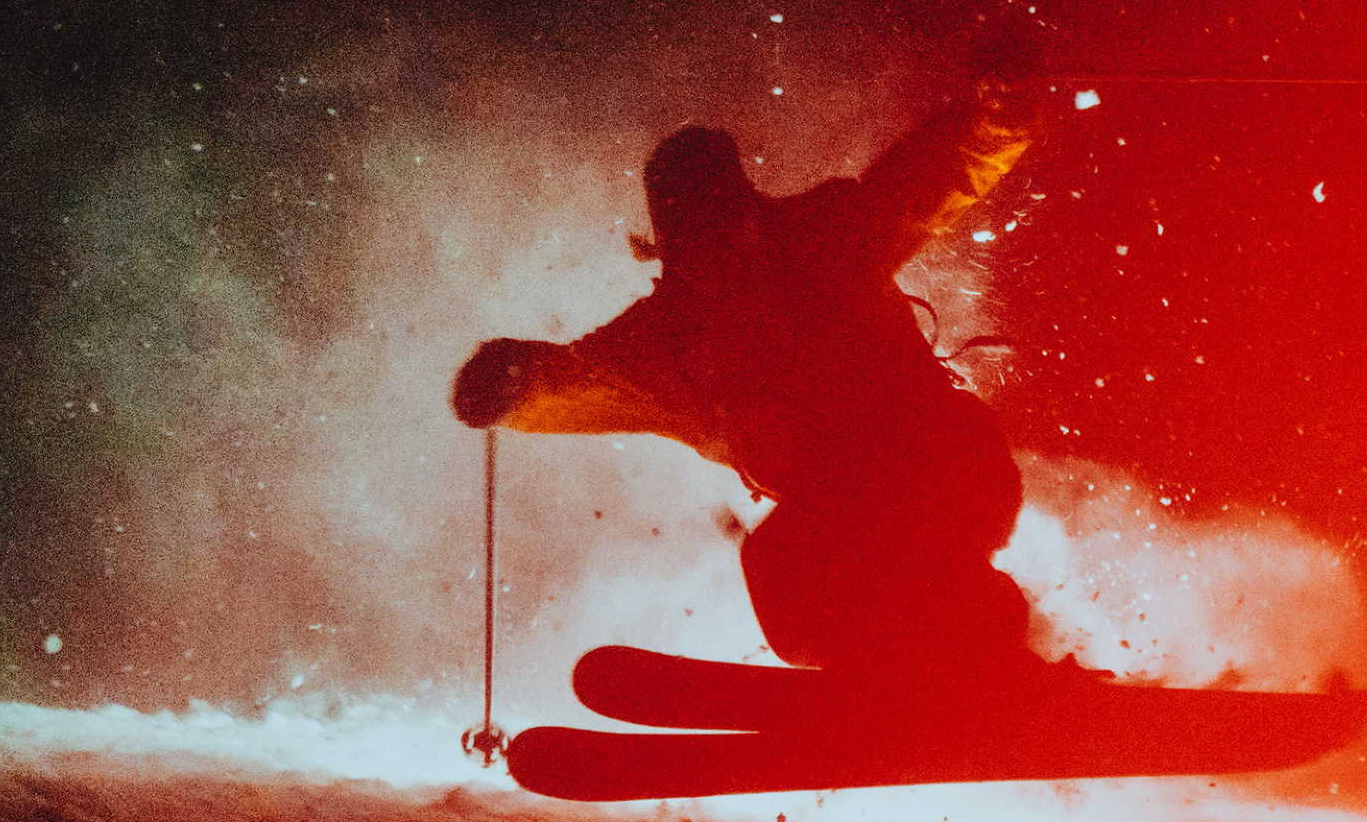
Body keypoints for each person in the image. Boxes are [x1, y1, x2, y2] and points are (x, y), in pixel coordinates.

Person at [451, 33, 1052, 677]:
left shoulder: (823, 237)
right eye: (698, 234)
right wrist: (512, 383)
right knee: (788, 558)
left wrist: (1002, 110)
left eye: (722, 223)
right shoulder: (667, 338)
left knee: (802, 552)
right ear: (676, 240)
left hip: (940, 463)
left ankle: (970, 640)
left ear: (743, 208)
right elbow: (575, 380)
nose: (719, 251)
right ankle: (893, 662)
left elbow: (933, 173)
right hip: (861, 506)